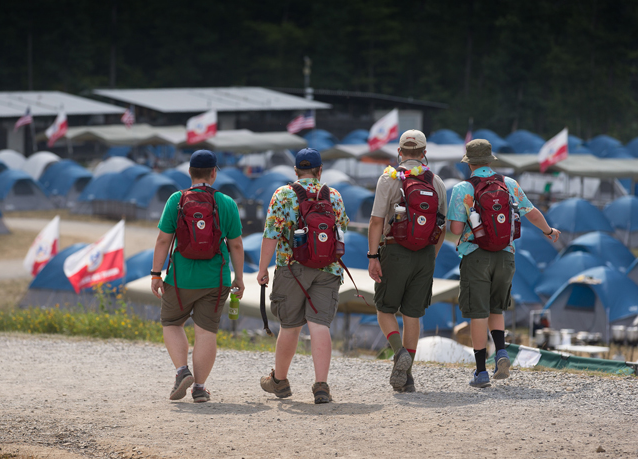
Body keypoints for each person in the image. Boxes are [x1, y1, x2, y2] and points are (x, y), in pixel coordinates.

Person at [447, 139, 560, 388]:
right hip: (506, 254)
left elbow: (455, 229)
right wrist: (548, 230)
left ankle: (481, 372)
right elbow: (531, 212)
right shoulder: (509, 184)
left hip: (475, 256)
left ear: (469, 164)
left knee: (478, 313)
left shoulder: (462, 189)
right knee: (496, 308)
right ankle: (501, 353)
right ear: (490, 160)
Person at [151, 149, 245, 403]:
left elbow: (163, 240)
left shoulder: (176, 200)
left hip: (180, 278)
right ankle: (200, 388)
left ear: (190, 172)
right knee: (206, 332)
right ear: (214, 173)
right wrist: (239, 278)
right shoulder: (226, 203)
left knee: (172, 323)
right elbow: (235, 245)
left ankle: (182, 371)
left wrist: (156, 273)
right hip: (216, 279)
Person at [257, 148, 349, 404]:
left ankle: (280, 381)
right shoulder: (335, 196)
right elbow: (341, 229)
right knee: (319, 324)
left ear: (295, 171)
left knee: (290, 326)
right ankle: (321, 386)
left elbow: (271, 235)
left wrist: (263, 269)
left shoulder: (283, 194)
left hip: (291, 267)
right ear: (320, 171)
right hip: (328, 268)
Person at [367, 130, 448, 393]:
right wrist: (430, 257)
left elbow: (377, 221)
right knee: (413, 314)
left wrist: (372, 256)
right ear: (424, 153)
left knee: (384, 309)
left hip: (394, 250)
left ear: (399, 152)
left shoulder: (389, 179)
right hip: (425, 254)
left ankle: (398, 351)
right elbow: (442, 226)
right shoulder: (436, 182)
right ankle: (407, 377)